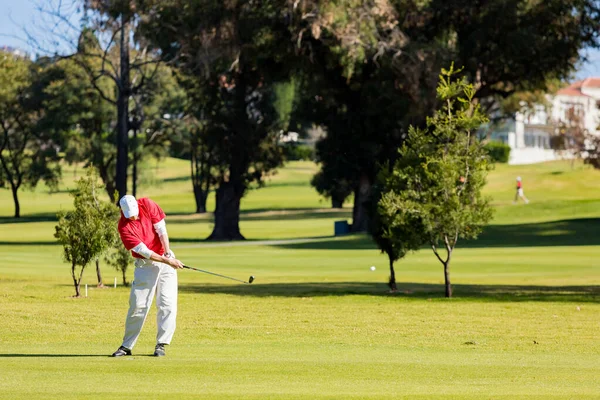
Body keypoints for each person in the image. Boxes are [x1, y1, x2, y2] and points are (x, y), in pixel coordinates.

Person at [111, 195, 184, 357]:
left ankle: (161, 345)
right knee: (138, 305)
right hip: (145, 265)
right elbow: (145, 252)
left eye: (135, 213)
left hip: (165, 258)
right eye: (130, 215)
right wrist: (166, 260)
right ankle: (126, 346)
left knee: (167, 303)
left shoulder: (147, 204)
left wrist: (167, 253)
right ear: (122, 211)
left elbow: (161, 229)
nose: (134, 216)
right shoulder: (124, 227)